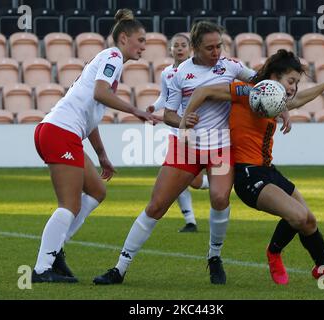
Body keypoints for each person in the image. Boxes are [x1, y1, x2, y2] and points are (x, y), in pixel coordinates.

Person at [93, 20, 260, 286]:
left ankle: (214, 257)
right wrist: (182, 119)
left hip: (219, 147)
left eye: (219, 46)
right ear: (195, 47)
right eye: (209, 48)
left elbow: (261, 83)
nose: (216, 52)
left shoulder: (231, 66)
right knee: (156, 206)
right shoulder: (179, 74)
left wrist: (282, 103)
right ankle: (120, 268)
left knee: (219, 198)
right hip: (187, 146)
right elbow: (169, 115)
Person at [180, 49, 324, 285]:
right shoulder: (248, 91)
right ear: (274, 76)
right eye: (290, 80)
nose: (293, 87)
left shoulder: (278, 99)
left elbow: (300, 99)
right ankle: (273, 253)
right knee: (298, 216)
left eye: (296, 82)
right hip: (248, 175)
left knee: (309, 221)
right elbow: (204, 91)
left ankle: (323, 269)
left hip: (269, 170)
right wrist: (185, 121)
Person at [32, 8, 160, 283]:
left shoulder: (109, 62)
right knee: (69, 204)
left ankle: (54, 252)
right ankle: (43, 268)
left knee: (97, 190)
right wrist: (137, 111)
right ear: (124, 38)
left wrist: (102, 155)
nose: (143, 47)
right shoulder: (113, 57)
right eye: (141, 40)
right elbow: (99, 93)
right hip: (58, 131)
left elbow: (90, 116)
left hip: (60, 131)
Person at [147, 33, 210, 233]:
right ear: (170, 49)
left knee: (195, 181)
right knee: (179, 179)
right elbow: (164, 96)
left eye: (184, 45)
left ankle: (225, 180)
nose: (180, 48)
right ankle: (190, 221)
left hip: (198, 128)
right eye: (176, 45)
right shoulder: (167, 73)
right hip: (177, 129)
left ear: (190, 48)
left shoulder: (198, 70)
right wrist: (153, 107)